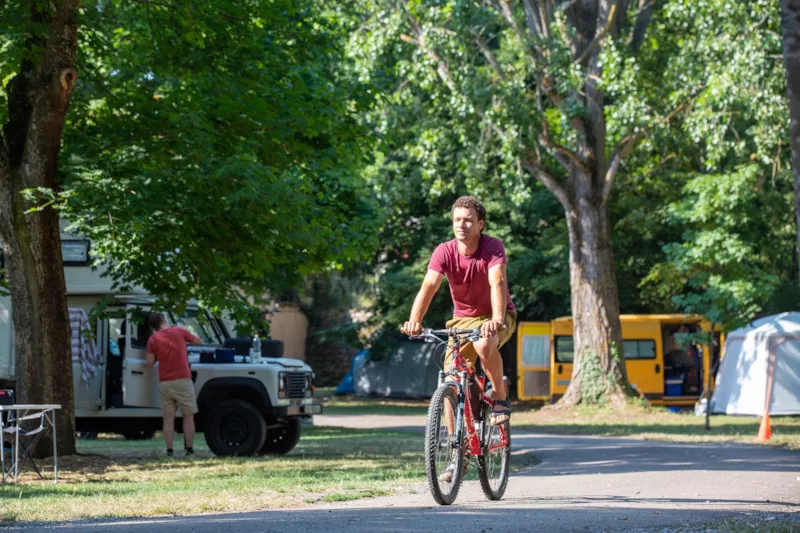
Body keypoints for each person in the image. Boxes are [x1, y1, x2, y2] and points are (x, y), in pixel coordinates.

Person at [403, 195, 517, 426]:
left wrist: (496, 319)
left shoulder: (492, 246)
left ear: (480, 224)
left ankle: (499, 397)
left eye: (467, 220)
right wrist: (414, 320)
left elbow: (497, 281)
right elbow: (429, 286)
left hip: (497, 315)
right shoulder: (444, 251)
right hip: (462, 320)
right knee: (451, 379)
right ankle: (454, 446)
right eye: (457, 220)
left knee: (484, 344)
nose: (461, 225)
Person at [145, 313, 203, 457]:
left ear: (152, 326)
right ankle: (189, 450)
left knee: (168, 418)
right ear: (164, 320)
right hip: (183, 379)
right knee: (188, 416)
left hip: (165, 382)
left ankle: (170, 451)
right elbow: (198, 341)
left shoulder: (153, 339)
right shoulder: (179, 331)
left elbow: (150, 362)